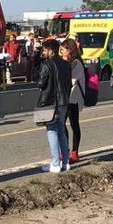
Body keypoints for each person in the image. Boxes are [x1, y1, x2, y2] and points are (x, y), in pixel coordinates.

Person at [36, 38, 71, 172]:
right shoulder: (66, 64)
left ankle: (55, 163)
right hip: (64, 101)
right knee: (61, 129)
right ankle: (65, 162)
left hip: (51, 102)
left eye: (44, 49)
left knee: (52, 131)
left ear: (50, 51)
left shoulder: (47, 64)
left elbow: (41, 83)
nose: (43, 52)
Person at [61, 38, 85, 163]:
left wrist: (64, 63)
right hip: (68, 97)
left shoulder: (76, 62)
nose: (62, 53)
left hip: (73, 97)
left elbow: (69, 78)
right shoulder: (72, 61)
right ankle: (66, 149)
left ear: (70, 50)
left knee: (73, 124)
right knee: (64, 123)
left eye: (63, 50)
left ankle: (74, 152)